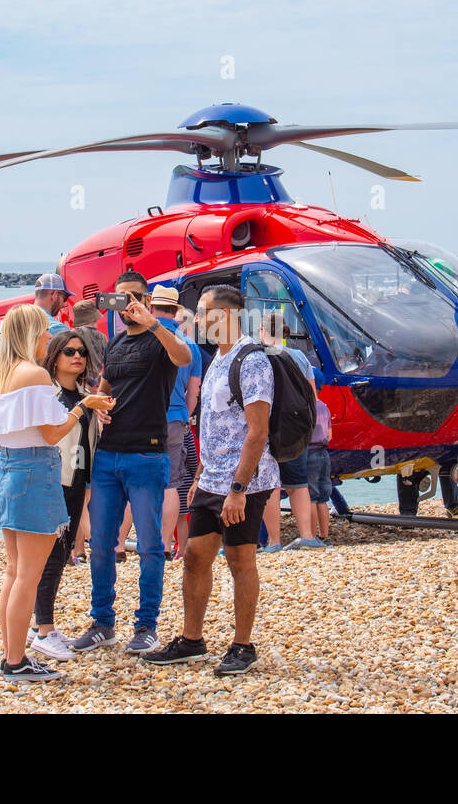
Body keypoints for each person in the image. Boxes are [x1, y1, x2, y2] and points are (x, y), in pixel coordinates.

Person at [143, 284, 276, 675]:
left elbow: (258, 432)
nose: (197, 319)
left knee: (239, 559)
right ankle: (192, 640)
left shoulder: (251, 361)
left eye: (204, 312)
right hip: (212, 480)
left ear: (230, 315)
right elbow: (217, 426)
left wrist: (238, 490)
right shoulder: (217, 357)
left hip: (243, 484)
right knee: (196, 556)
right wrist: (200, 475)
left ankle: (243, 646)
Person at [0, 305, 113, 682]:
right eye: (42, 333)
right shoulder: (34, 374)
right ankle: (17, 661)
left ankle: (11, 655)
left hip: (7, 469)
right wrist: (84, 405)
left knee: (13, 571)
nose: (46, 340)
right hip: (35, 472)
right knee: (28, 576)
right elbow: (52, 434)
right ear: (28, 335)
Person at [69, 270, 193, 656]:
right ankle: (102, 623)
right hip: (109, 455)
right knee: (102, 543)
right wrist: (100, 407)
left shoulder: (162, 338)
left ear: (146, 298)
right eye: (120, 298)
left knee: (151, 545)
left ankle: (146, 626)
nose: (126, 305)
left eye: (133, 297)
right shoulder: (117, 344)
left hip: (147, 454)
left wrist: (153, 321)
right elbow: (105, 386)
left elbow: (184, 356)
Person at [27, 329, 108, 661]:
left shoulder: (83, 394)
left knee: (60, 556)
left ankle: (39, 624)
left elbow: (87, 443)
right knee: (49, 556)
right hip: (52, 482)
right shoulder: (50, 394)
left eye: (82, 352)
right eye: (69, 352)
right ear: (54, 357)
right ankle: (44, 629)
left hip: (75, 482)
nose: (77, 356)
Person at [257, 312, 321, 550]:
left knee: (270, 485)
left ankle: (274, 542)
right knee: (298, 483)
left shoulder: (258, 356)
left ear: (263, 331)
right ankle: (307, 536)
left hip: (267, 426)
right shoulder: (298, 356)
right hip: (295, 428)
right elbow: (312, 396)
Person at [151, 286, 203, 558]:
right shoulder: (189, 345)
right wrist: (186, 417)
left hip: (141, 418)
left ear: (151, 307)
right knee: (171, 484)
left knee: (138, 481)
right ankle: (164, 544)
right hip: (175, 417)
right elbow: (193, 392)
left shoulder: (142, 335)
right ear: (176, 311)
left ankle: (120, 543)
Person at [307, 395, 333, 541]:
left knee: (311, 497)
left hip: (310, 451)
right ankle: (324, 534)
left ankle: (311, 535)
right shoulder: (323, 406)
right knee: (322, 498)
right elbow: (330, 435)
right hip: (324, 453)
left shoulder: (306, 405)